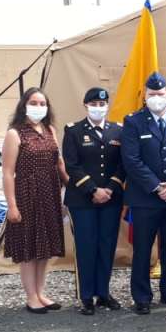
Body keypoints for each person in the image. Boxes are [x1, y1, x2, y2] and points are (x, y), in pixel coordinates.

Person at [121, 72, 166, 314]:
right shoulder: (133, 122)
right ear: (145, 96)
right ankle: (142, 296)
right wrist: (158, 186)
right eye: (152, 94)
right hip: (145, 199)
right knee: (142, 248)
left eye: (161, 94)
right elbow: (131, 160)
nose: (157, 98)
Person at [1, 87, 69, 314]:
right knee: (29, 248)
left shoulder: (50, 130)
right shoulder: (15, 133)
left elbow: (59, 163)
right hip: (26, 194)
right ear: (24, 105)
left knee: (45, 247)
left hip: (49, 193)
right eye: (34, 102)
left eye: (42, 103)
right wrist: (12, 205)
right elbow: (8, 172)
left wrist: (74, 187)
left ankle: (41, 292)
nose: (38, 107)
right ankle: (31, 296)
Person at [62, 87, 125, 316]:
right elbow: (72, 165)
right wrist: (93, 190)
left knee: (106, 246)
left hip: (111, 198)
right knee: (87, 246)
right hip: (82, 200)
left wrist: (109, 189)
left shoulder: (118, 131)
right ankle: (86, 296)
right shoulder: (74, 131)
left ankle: (104, 293)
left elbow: (122, 164)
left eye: (102, 104)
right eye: (94, 104)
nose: (99, 108)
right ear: (86, 105)